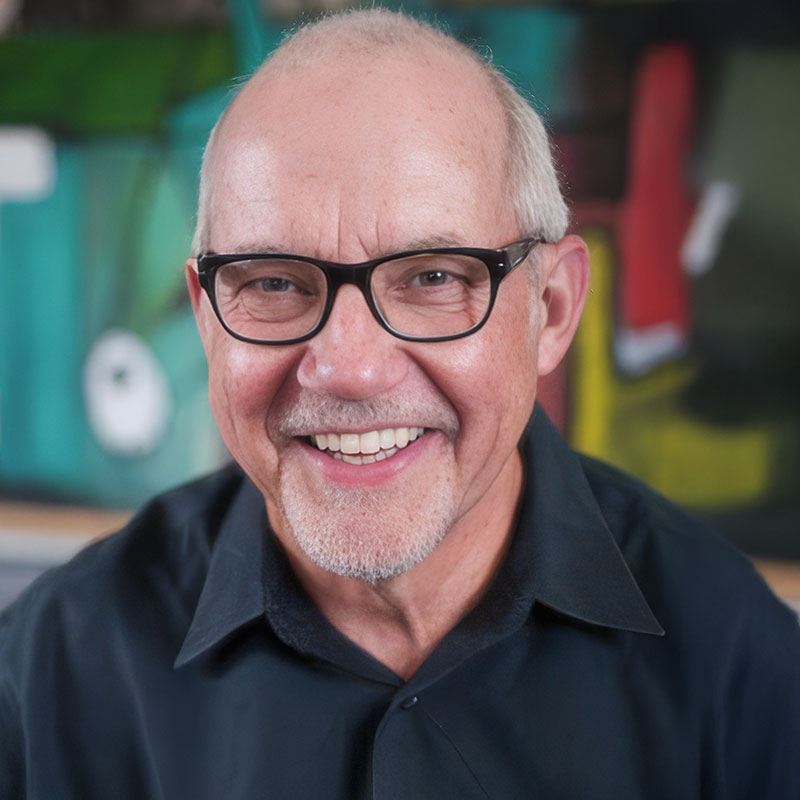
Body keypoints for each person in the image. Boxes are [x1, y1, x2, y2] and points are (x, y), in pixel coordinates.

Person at [1, 9, 798, 798]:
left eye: (433, 277)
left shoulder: (741, 674)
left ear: (551, 310)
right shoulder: (46, 677)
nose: (350, 369)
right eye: (274, 282)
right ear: (208, 318)